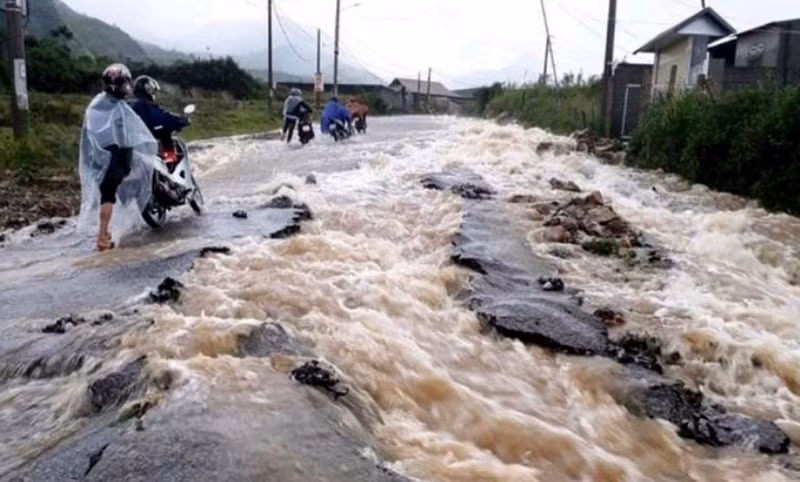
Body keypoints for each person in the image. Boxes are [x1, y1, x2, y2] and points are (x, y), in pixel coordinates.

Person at [78, 63, 158, 252]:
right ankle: (102, 237)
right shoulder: (121, 108)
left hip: (98, 158)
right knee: (110, 196)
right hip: (115, 158)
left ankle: (104, 234)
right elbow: (133, 135)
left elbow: (89, 133)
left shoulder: (96, 104)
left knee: (107, 195)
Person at [128, 75, 190, 162]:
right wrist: (181, 120)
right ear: (148, 89)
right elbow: (164, 117)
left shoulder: (127, 103)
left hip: (127, 145)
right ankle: (170, 161)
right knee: (165, 133)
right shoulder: (145, 105)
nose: (153, 94)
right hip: (143, 146)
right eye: (153, 91)